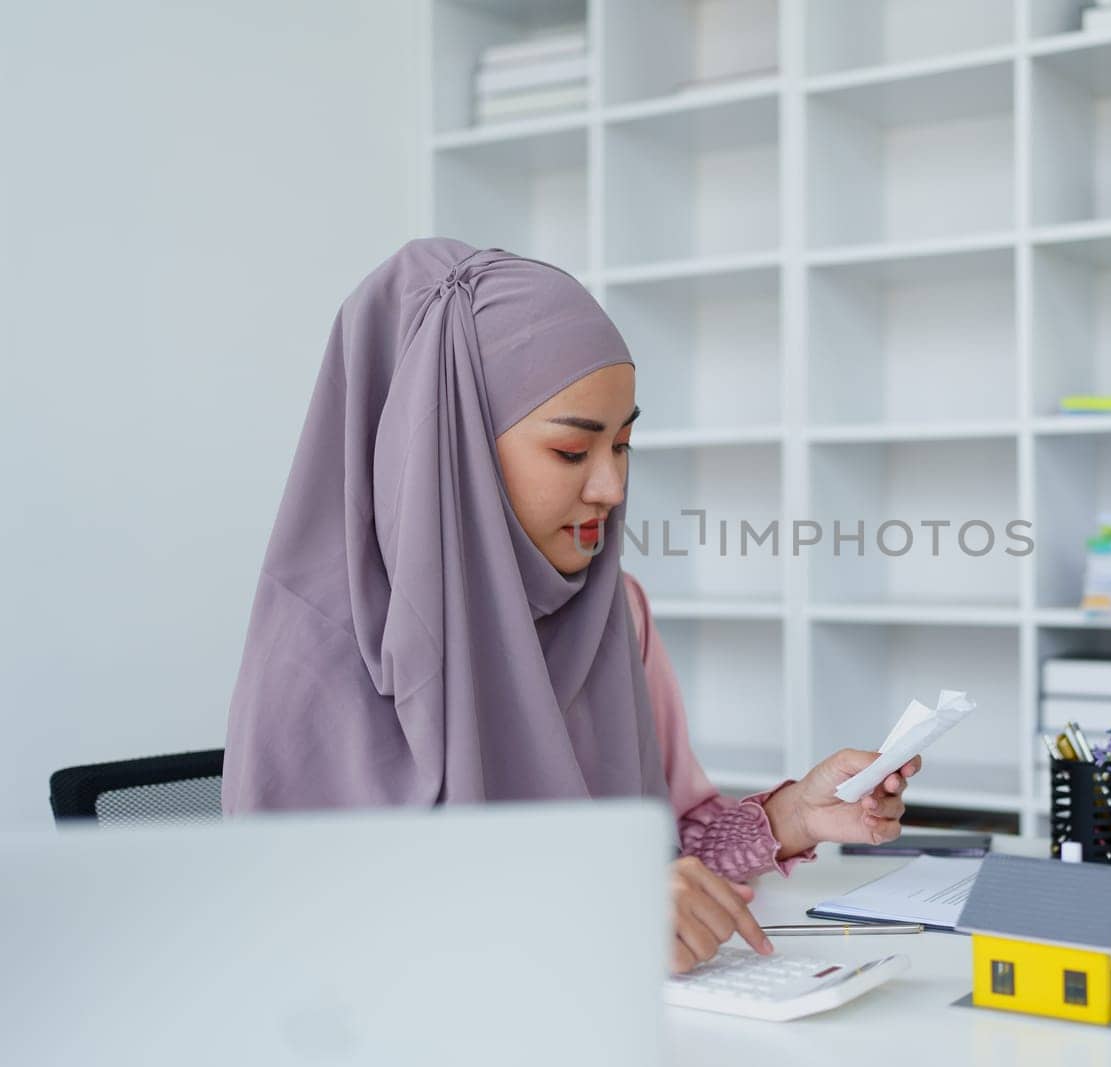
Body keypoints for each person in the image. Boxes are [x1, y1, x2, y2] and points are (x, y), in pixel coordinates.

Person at [221, 237, 921, 973]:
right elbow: (295, 944)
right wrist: (592, 915)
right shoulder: (314, 649)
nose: (612, 488)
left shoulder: (616, 612)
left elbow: (662, 854)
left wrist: (791, 816)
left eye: (623, 445)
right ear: (449, 451)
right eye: (571, 452)